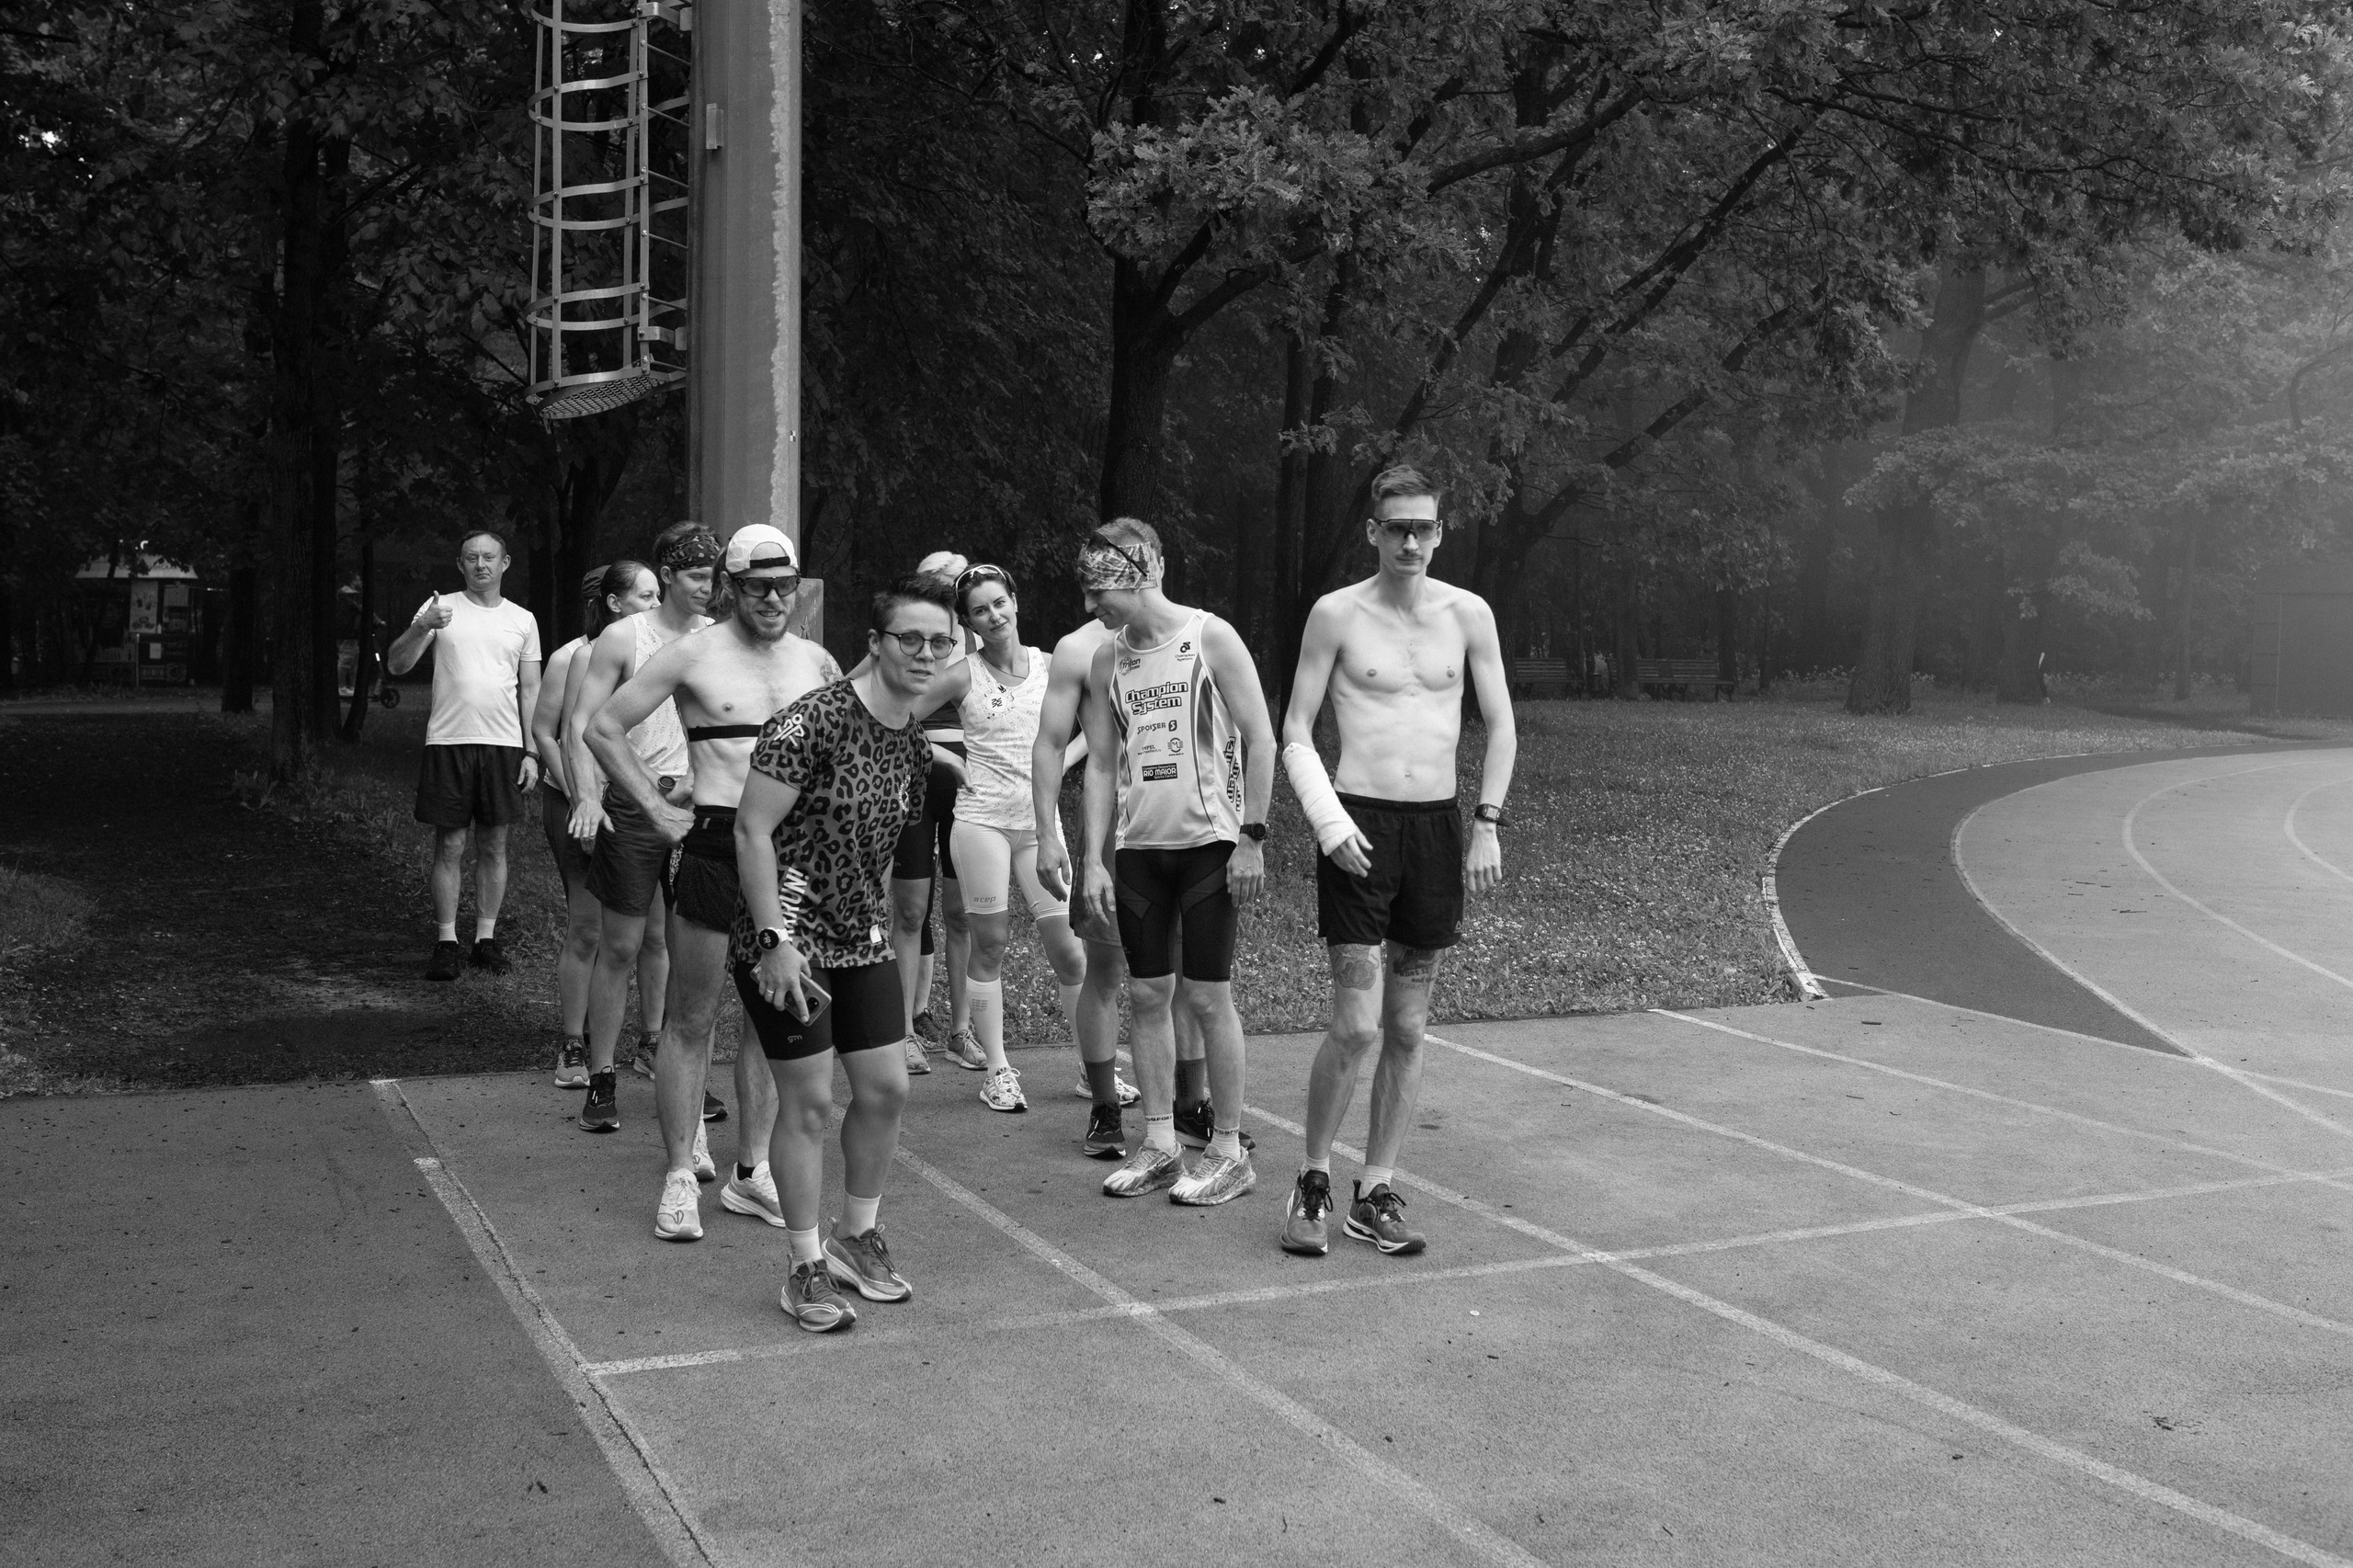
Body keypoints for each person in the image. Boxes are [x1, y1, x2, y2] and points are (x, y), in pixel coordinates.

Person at [1275, 464, 1517, 1257]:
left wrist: (1486, 823)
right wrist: (1326, 820)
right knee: (1355, 1025)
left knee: (1407, 1027)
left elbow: (1502, 725)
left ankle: (1373, 1190)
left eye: (1424, 527)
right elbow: (1296, 728)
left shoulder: (1468, 614)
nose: (1411, 541)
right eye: (1397, 528)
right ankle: (1312, 1178)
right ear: (1373, 531)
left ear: (1441, 531)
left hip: (1436, 833)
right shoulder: (1337, 614)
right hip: (1358, 829)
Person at [583, 524, 831, 1244]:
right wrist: (656, 808)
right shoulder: (694, 653)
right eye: (757, 588)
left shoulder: (816, 661)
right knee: (692, 1018)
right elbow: (603, 727)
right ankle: (678, 1176)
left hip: (791, 855)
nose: (773, 600)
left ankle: (752, 1172)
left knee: (772, 1015)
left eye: (784, 586)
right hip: (718, 845)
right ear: (731, 587)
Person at [735, 574, 954, 1331]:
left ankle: (855, 1238)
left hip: (859, 936)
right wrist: (774, 941)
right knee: (808, 1102)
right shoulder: (812, 722)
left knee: (887, 1088)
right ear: (875, 643)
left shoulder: (914, 746)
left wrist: (881, 929)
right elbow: (751, 831)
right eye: (910, 638)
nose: (924, 653)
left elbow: (880, 855)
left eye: (939, 642)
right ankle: (804, 1268)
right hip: (786, 936)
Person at [1075, 518, 1277, 1206]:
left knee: (1208, 995)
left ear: (1140, 574)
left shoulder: (1210, 637)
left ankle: (1228, 1150)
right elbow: (1102, 764)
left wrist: (1252, 837)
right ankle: (1161, 1144)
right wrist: (1094, 858)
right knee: (1145, 993)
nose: (1090, 605)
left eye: (1099, 589)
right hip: (1139, 851)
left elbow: (1261, 738)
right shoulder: (1107, 659)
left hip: (1210, 846)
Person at [564, 528, 715, 1133]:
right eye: (696, 575)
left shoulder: (718, 638)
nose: (708, 586)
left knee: (688, 948)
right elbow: (581, 723)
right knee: (621, 945)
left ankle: (682, 1070)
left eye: (714, 576)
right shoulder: (624, 636)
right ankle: (601, 1076)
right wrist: (587, 795)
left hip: (700, 806)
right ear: (669, 574)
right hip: (632, 802)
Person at [940, 564, 1092, 1114]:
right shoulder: (961, 674)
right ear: (967, 622)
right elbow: (895, 715)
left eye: (999, 603)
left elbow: (1099, 727)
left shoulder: (1054, 665)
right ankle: (998, 1071)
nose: (994, 615)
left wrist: (1062, 762)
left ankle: (1093, 1068)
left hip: (1041, 828)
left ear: (1015, 602)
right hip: (981, 822)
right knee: (991, 944)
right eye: (980, 610)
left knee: (1071, 953)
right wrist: (943, 757)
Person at [387, 528, 543, 981]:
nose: (480, 565)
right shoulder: (439, 609)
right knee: (450, 844)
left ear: (504, 563)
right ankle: (447, 941)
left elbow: (530, 690)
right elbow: (397, 665)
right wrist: (423, 625)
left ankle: (485, 941)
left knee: (494, 844)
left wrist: (532, 752)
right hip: (448, 741)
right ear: (460, 565)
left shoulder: (523, 619)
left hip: (504, 745)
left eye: (489, 557)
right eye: (471, 557)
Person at [530, 564, 636, 1086]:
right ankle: (573, 1043)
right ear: (610, 603)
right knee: (588, 926)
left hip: (628, 804)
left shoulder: (653, 656)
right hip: (573, 798)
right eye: (644, 596)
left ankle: (644, 1042)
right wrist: (582, 798)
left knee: (640, 936)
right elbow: (549, 733)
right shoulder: (570, 657)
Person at [887, 551, 974, 1075]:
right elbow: (886, 714)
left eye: (958, 581)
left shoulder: (980, 640)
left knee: (963, 914)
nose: (952, 589)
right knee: (910, 912)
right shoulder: (905, 641)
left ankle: (962, 1031)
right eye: (942, 580)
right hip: (915, 786)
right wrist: (939, 754)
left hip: (971, 793)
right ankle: (902, 1032)